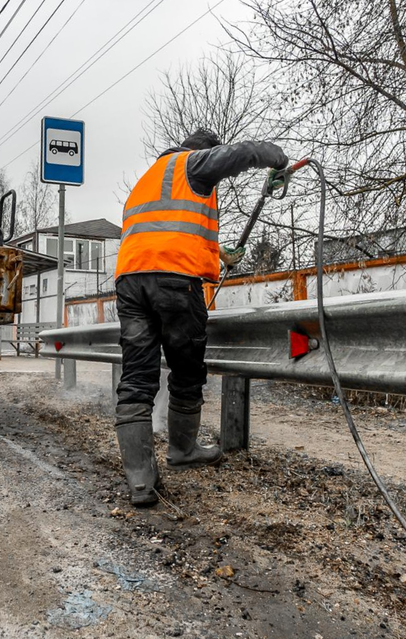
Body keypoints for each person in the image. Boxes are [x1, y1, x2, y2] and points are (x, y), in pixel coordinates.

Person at [113, 129, 290, 506]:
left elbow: (164, 230)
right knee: (187, 370)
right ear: (204, 152)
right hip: (174, 282)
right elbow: (240, 154)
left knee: (136, 379)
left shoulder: (149, 179)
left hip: (130, 282)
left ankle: (141, 481)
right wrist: (276, 157)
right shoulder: (192, 164)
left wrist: (218, 253)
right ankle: (183, 449)